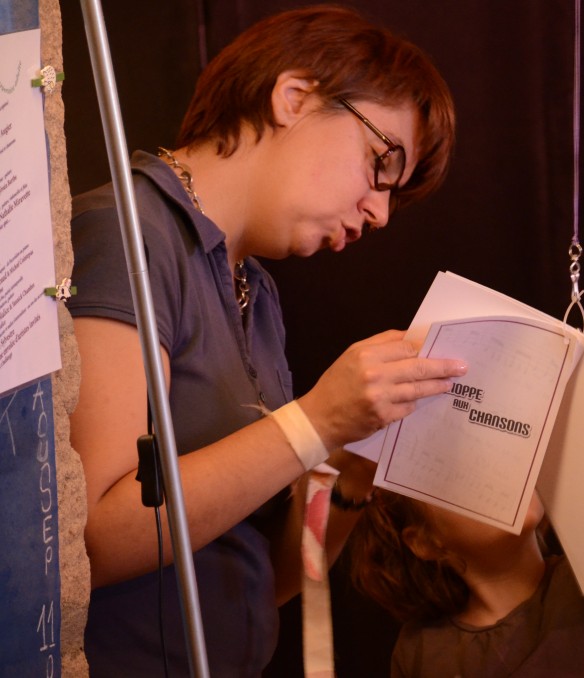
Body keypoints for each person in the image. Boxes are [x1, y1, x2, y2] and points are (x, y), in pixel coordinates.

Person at [66, 6, 460, 676]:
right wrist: (316, 420)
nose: (380, 211)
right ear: (294, 98)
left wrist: (349, 471)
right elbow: (90, 540)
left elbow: (261, 581)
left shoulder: (256, 290)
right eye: (382, 161)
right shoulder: (128, 235)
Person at [345, 361, 584, 678]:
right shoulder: (419, 650)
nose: (496, 471)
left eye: (500, 455)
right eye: (457, 472)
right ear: (425, 541)